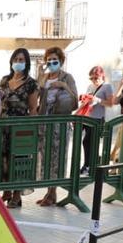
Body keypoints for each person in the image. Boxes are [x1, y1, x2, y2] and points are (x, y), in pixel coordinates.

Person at [35, 46, 78, 207]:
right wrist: (40, 75)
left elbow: (75, 101)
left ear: (61, 61)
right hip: (44, 124)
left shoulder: (68, 77)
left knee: (57, 158)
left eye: (55, 60)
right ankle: (49, 192)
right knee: (45, 158)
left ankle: (53, 193)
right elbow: (36, 96)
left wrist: (63, 86)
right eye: (49, 60)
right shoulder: (44, 78)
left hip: (60, 125)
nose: (52, 62)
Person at [0, 48, 39, 208]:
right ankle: (6, 191)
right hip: (3, 125)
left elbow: (33, 108)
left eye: (22, 60)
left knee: (18, 160)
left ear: (27, 62)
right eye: (16, 59)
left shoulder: (31, 83)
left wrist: (32, 132)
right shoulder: (4, 80)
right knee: (3, 160)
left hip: (21, 126)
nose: (18, 62)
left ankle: (16, 195)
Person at [78, 66, 114, 177]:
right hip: (87, 117)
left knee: (91, 142)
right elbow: (87, 102)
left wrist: (97, 100)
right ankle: (87, 165)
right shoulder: (90, 86)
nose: (94, 80)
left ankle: (91, 166)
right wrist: (84, 100)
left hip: (97, 119)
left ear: (102, 75)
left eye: (96, 77)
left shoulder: (107, 87)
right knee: (86, 142)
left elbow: (111, 103)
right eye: (92, 78)